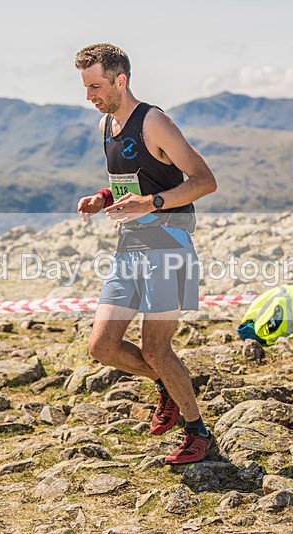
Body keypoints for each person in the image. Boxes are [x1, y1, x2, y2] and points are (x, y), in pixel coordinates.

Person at [74, 43, 218, 464]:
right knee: (101, 346)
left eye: (96, 86)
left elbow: (205, 181)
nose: (90, 96)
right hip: (130, 246)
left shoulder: (153, 121)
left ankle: (198, 433)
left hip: (169, 245)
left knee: (156, 349)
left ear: (121, 80)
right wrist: (103, 197)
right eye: (85, 87)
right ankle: (168, 386)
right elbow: (131, 181)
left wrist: (152, 204)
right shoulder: (107, 124)